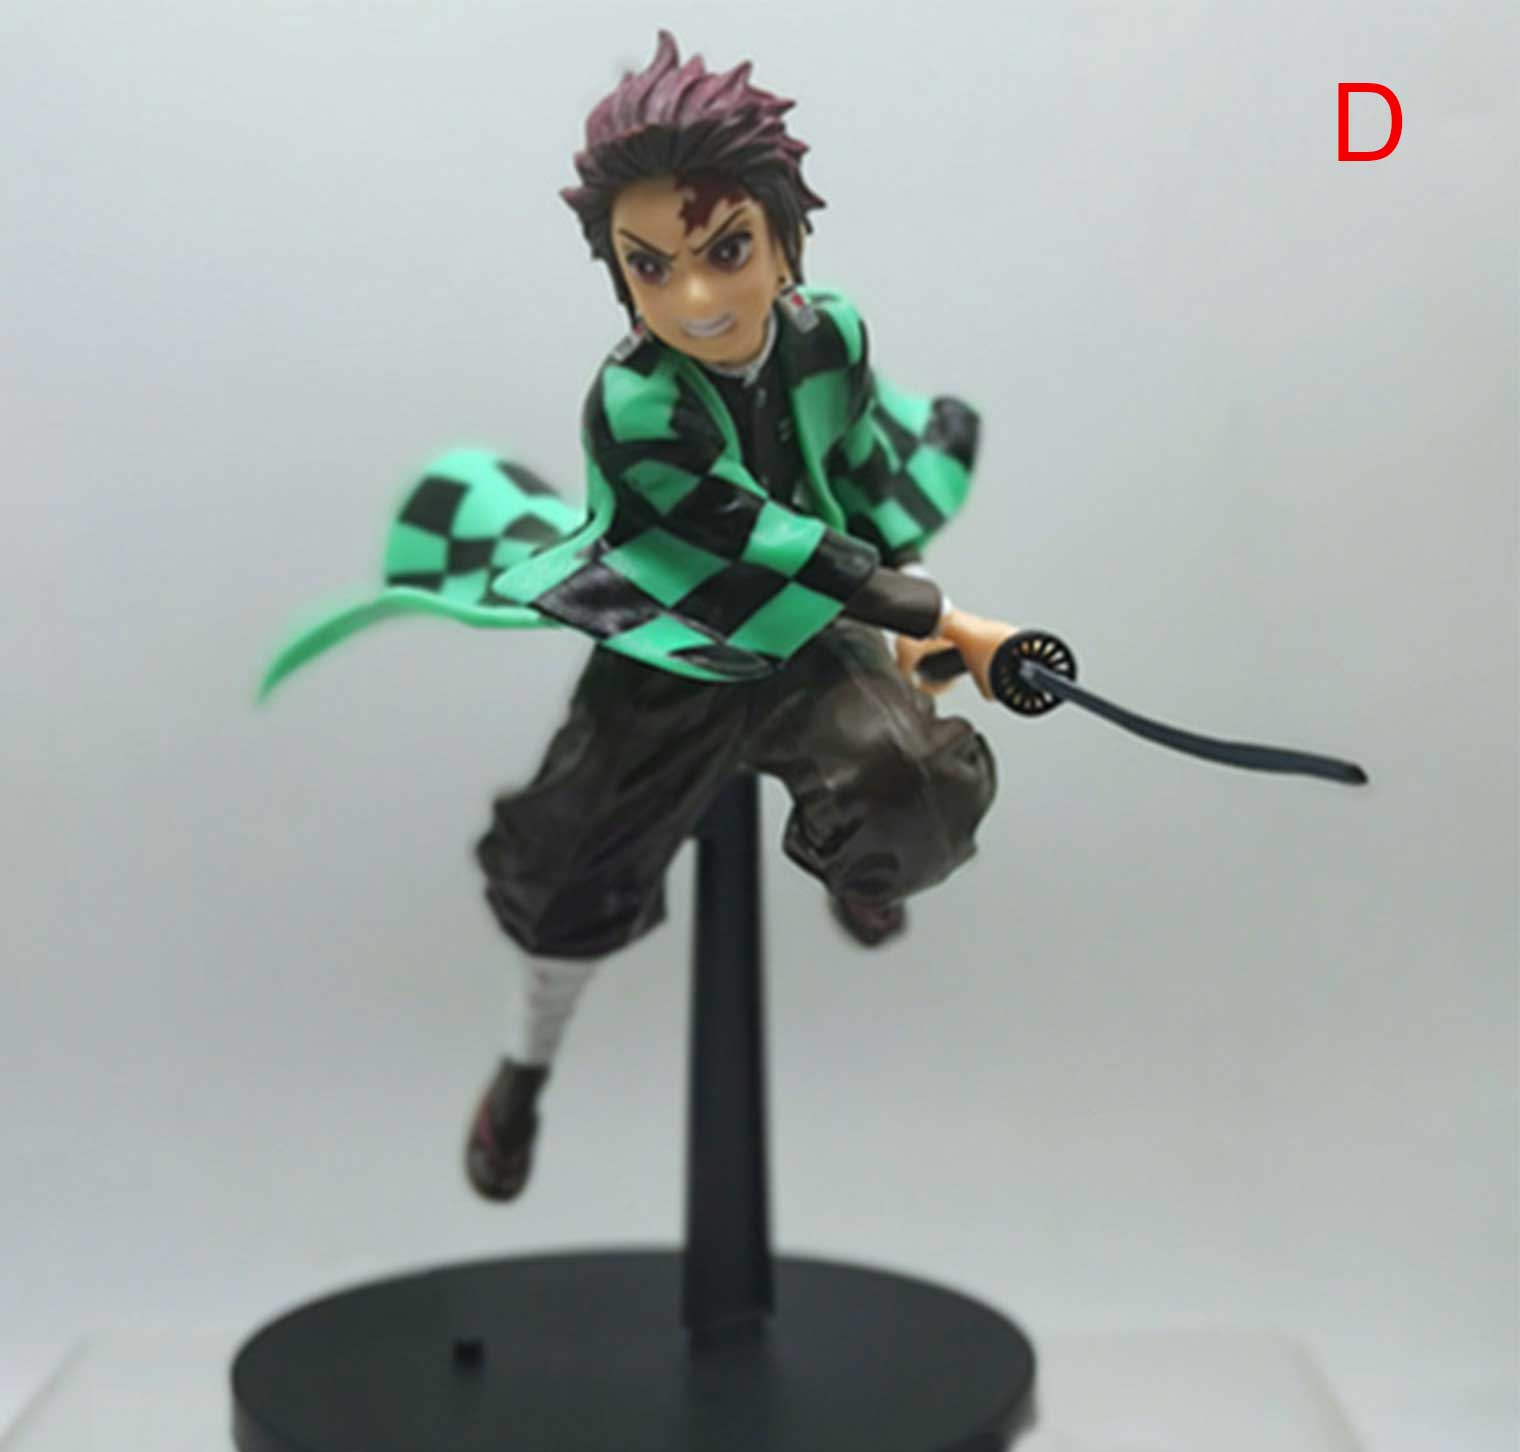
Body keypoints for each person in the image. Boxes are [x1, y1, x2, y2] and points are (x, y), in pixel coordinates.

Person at [262, 32, 1020, 1201]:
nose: (697, 298)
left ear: (784, 237)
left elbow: (860, 476)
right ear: (621, 276)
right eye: (653, 267)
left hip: (812, 636)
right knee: (567, 880)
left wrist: (920, 614)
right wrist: (914, 600)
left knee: (911, 785)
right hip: (671, 649)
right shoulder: (632, 404)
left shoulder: (831, 336)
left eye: (727, 250)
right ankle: (524, 1072)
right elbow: (745, 536)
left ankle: (860, 867)